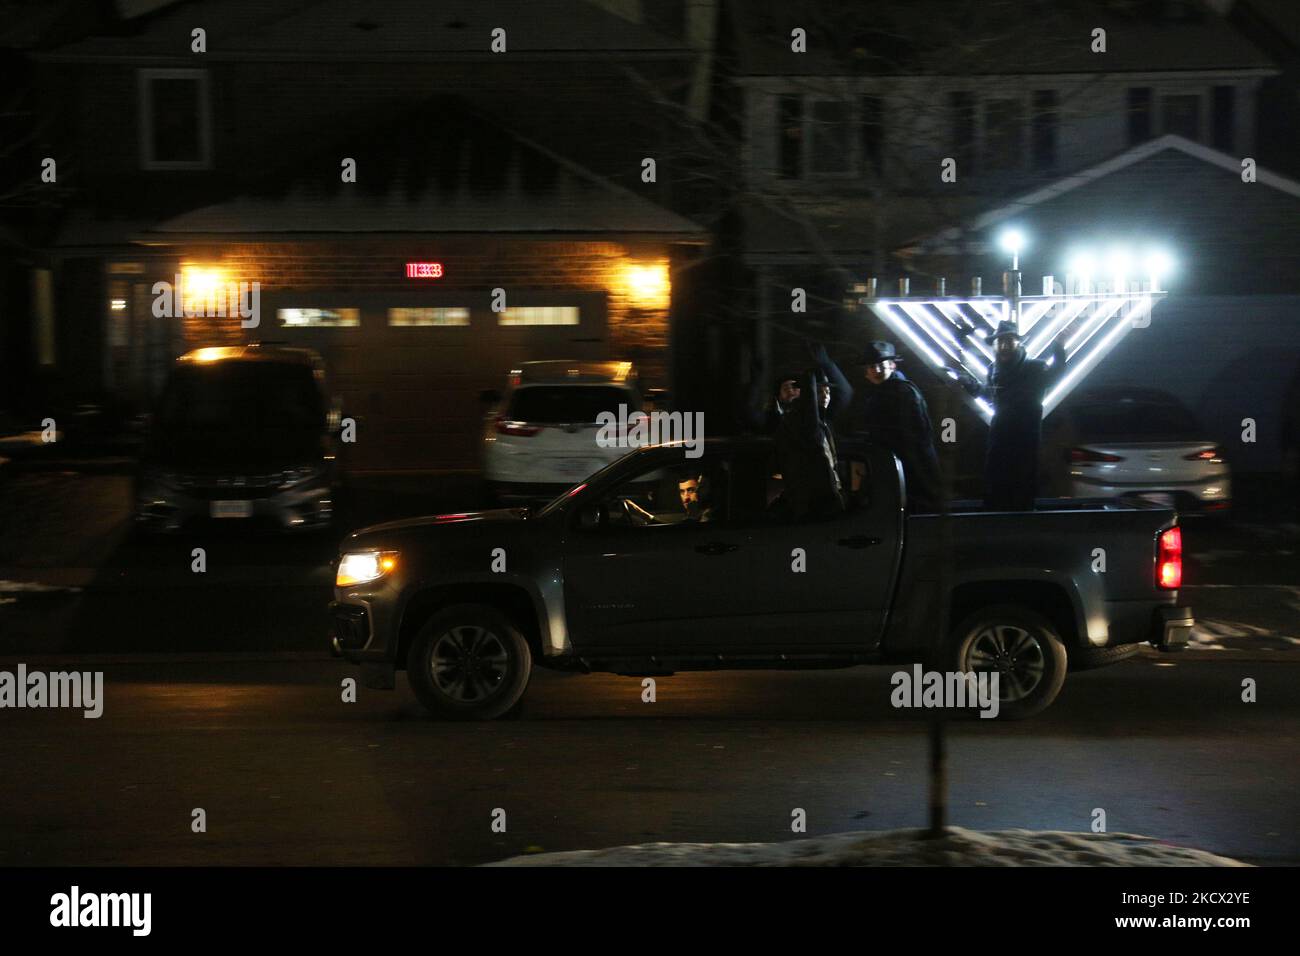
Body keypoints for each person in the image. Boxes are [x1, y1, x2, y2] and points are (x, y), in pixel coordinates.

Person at [952, 320, 1066, 511]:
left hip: (1025, 439)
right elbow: (989, 394)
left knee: (1022, 485)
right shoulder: (993, 369)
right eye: (999, 342)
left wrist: (1058, 346)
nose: (1004, 346)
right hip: (999, 438)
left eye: (1009, 341)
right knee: (995, 483)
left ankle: (1021, 528)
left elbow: (1057, 372)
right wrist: (970, 384)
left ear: (1018, 343)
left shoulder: (1035, 368)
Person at [846, 341, 942, 512]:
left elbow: (913, 437)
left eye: (880, 365)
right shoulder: (884, 392)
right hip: (902, 472)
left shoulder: (902, 392)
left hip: (912, 474)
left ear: (891, 365)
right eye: (871, 366)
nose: (875, 370)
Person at [774, 343, 853, 518]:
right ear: (809, 394)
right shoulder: (798, 423)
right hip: (815, 505)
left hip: (831, 499)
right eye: (819, 391)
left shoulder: (825, 420)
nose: (825, 396)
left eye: (827, 391)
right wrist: (808, 379)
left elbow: (845, 393)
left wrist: (826, 363)